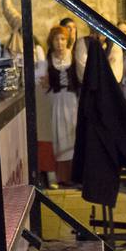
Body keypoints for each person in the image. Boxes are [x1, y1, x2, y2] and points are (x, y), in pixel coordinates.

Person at [37, 25, 79, 186]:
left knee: (73, 135)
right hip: (56, 101)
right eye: (56, 39)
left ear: (67, 40)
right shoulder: (49, 58)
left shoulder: (73, 55)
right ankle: (62, 177)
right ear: (51, 41)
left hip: (72, 100)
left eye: (62, 39)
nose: (60, 42)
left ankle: (75, 175)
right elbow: (45, 82)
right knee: (60, 136)